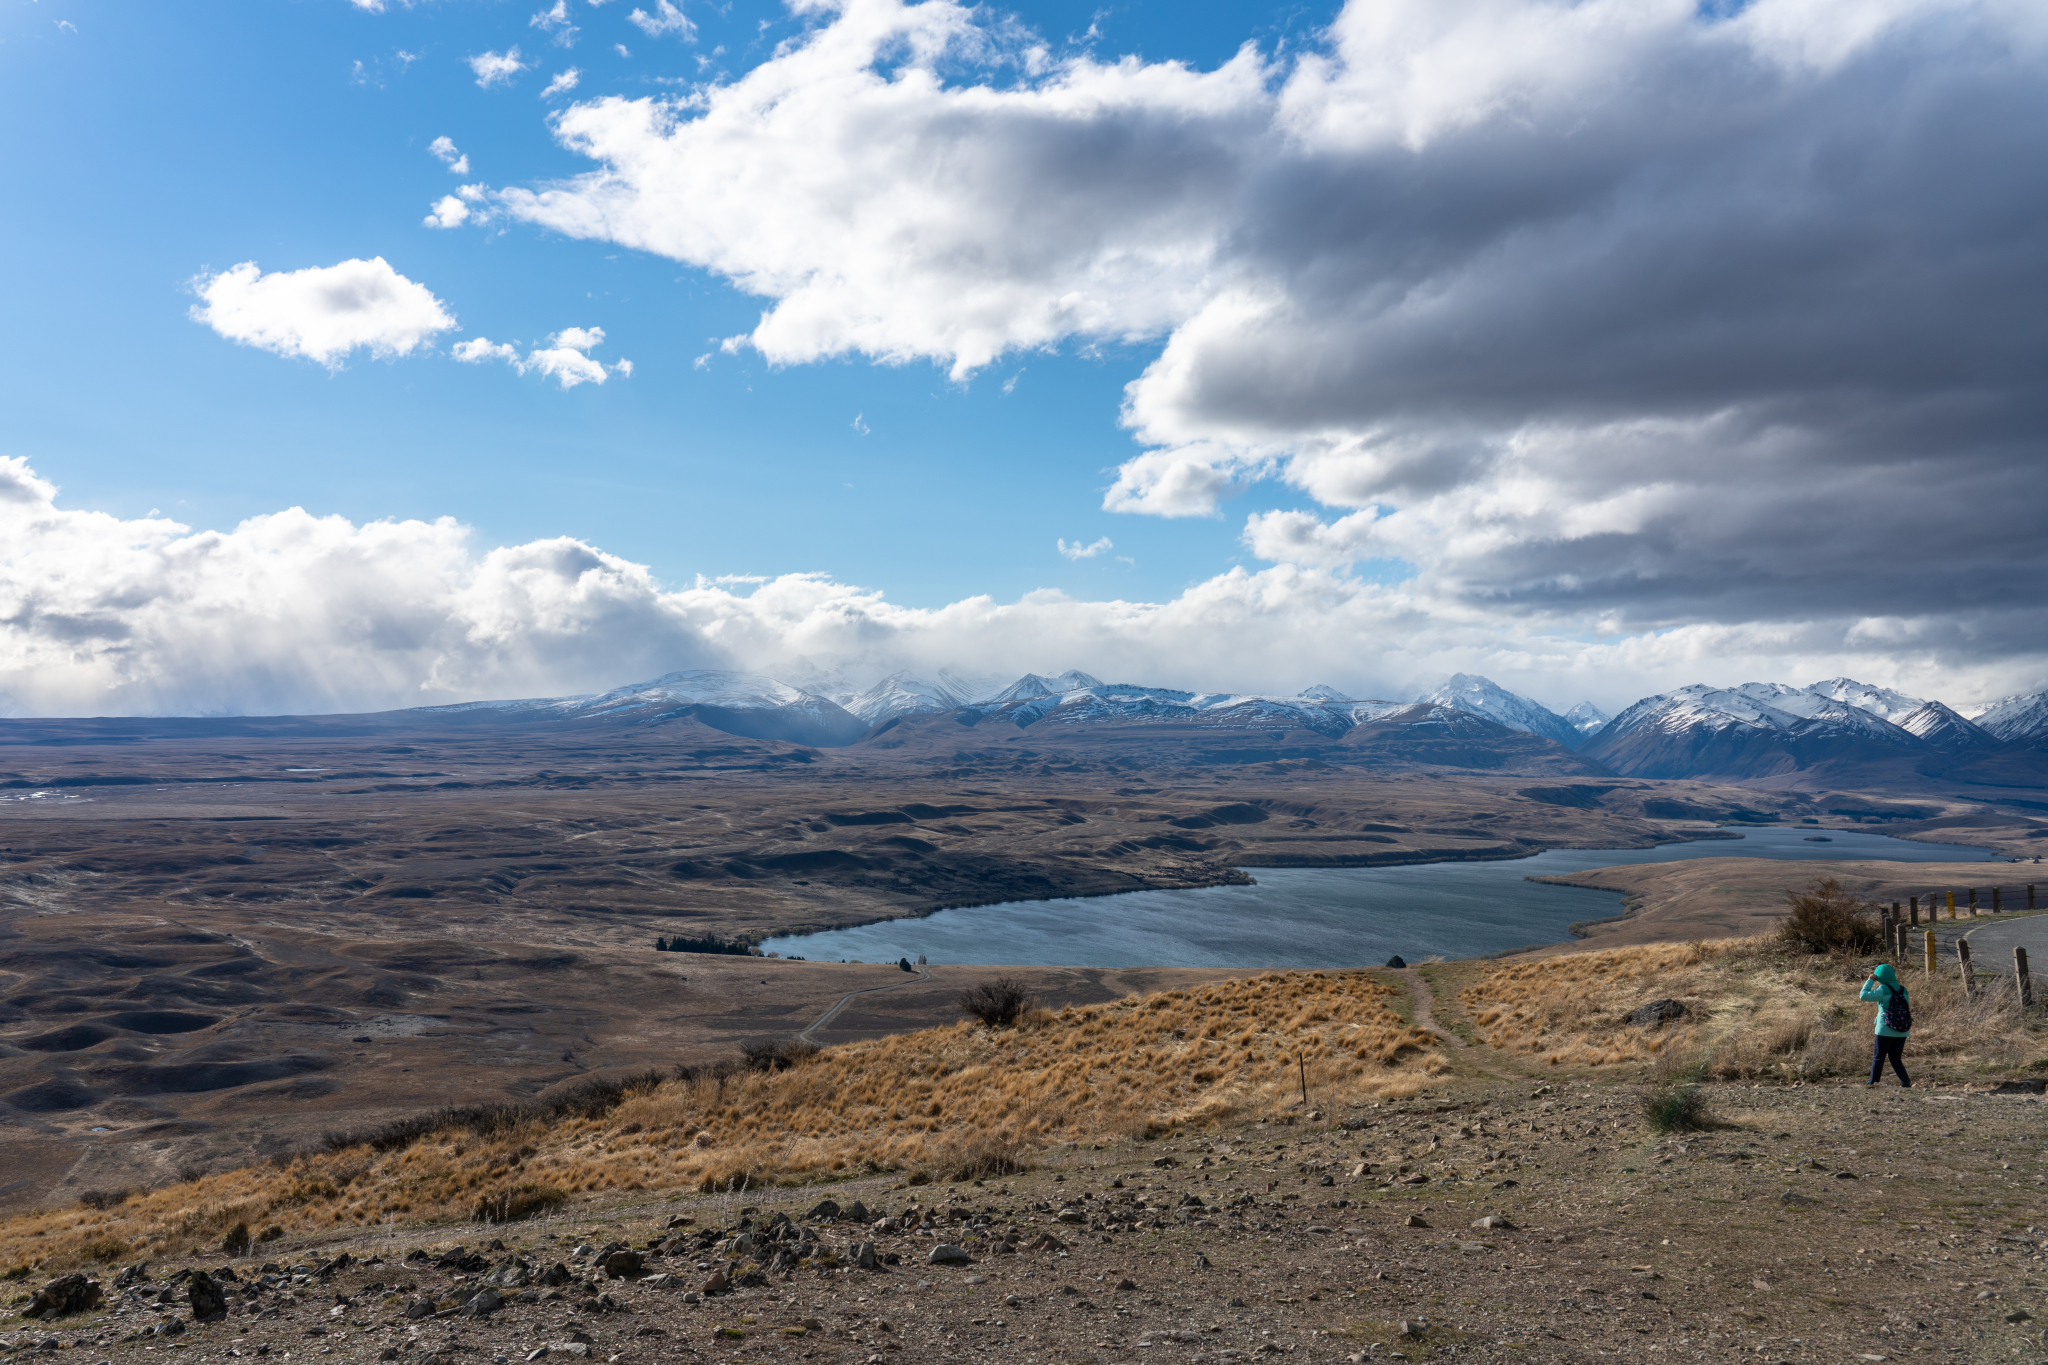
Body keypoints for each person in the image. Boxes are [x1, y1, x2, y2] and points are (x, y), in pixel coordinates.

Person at [1858, 962, 1912, 1088]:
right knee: (1896, 1059)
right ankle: (1905, 1083)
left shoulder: (1883, 989)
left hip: (1884, 1029)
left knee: (1878, 1057)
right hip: (1902, 1029)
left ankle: (1873, 1082)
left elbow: (1863, 996)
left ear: (1879, 976)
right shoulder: (1904, 990)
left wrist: (1870, 980)